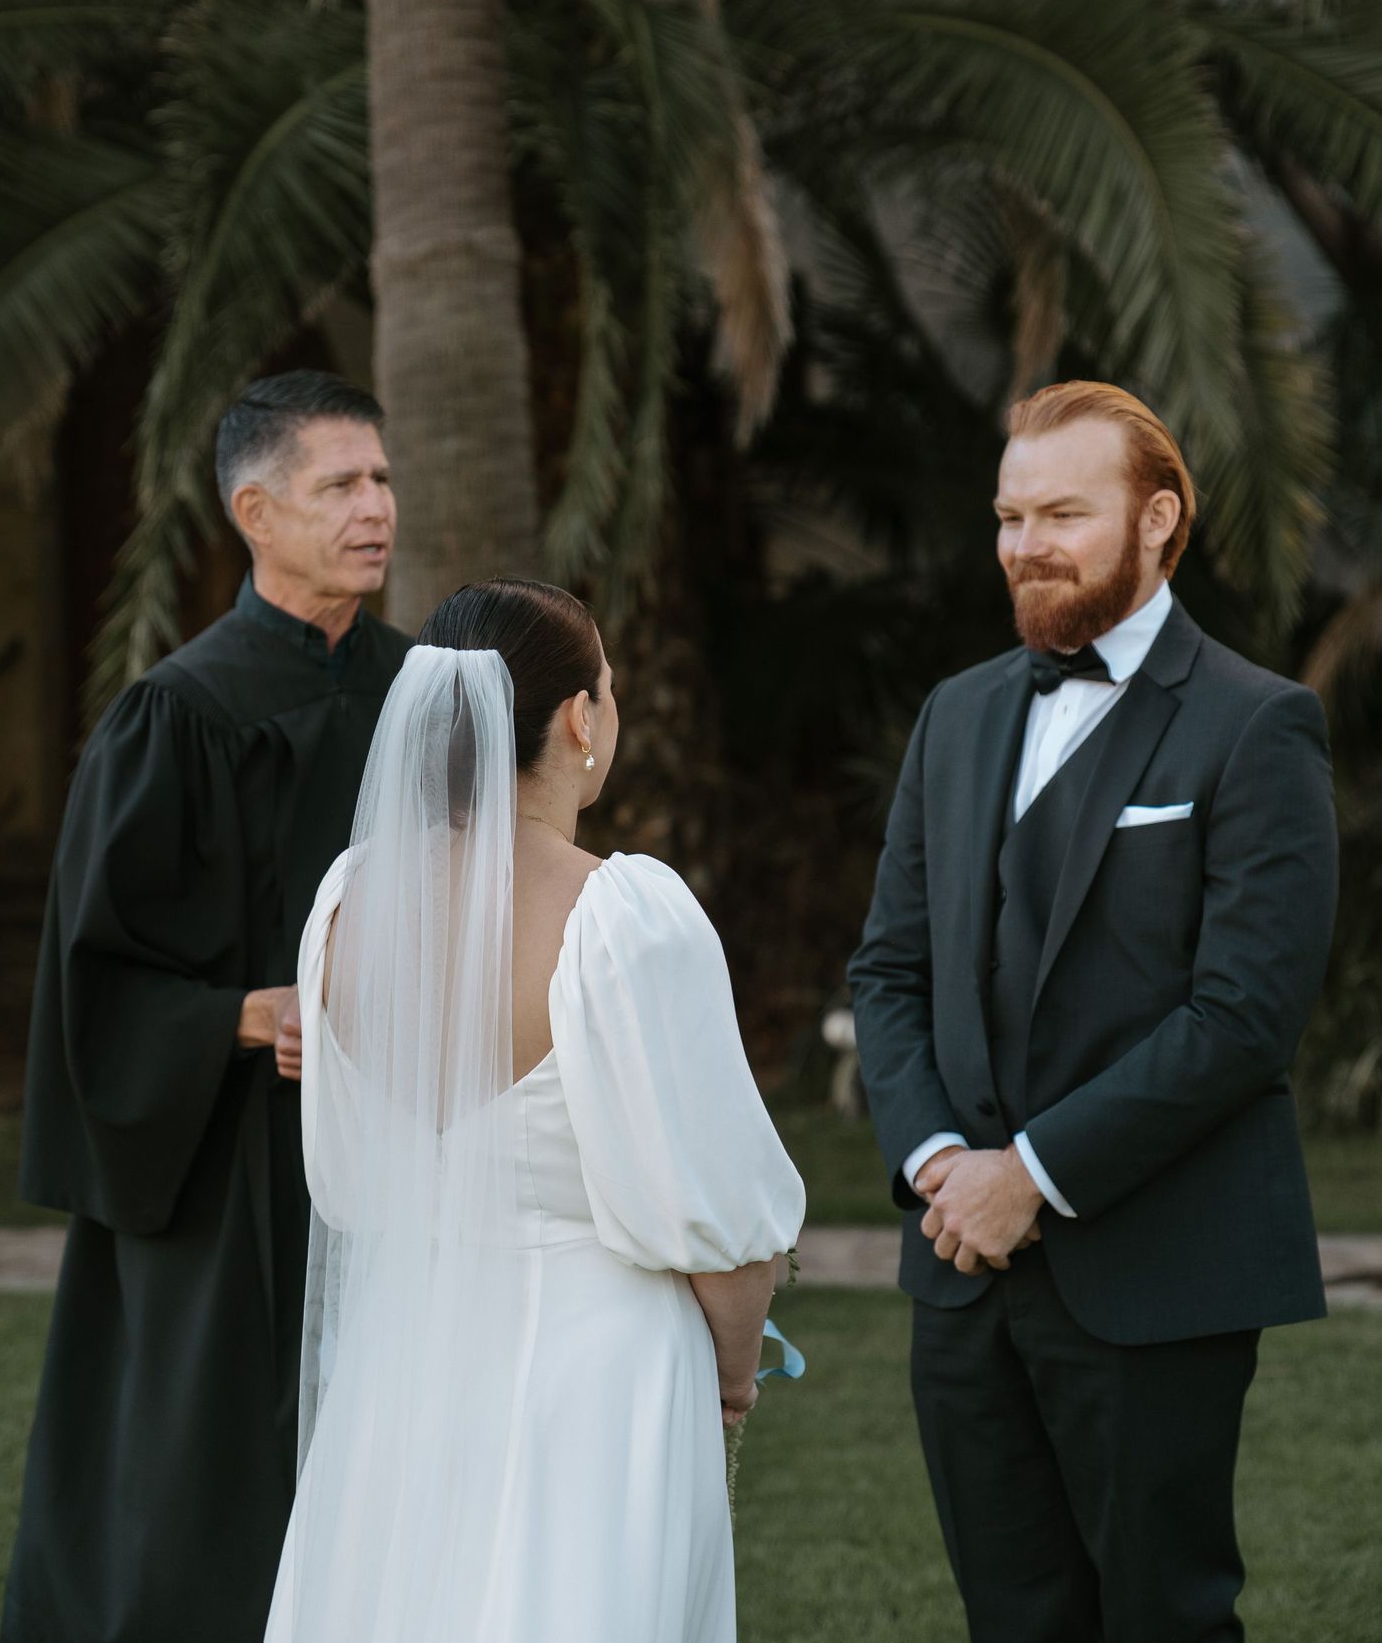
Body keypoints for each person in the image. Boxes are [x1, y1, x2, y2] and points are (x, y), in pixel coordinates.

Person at [848, 380, 1338, 1643]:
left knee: (1166, 1619)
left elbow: (1242, 1019)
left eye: (1063, 514)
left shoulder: (1258, 723)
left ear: (1157, 519)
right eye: (1009, 517)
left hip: (1157, 1269)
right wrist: (941, 1162)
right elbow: (890, 971)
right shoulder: (957, 715)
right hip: (962, 1273)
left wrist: (1034, 1174)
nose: (1026, 546)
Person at [264, 578, 805, 1643]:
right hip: (597, 1383)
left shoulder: (348, 903)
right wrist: (733, 1377)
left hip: (400, 1366)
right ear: (579, 720)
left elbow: (346, 1179)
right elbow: (725, 1223)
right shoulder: (626, 917)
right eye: (609, 686)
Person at [2, 371, 411, 1643]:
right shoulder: (178, 716)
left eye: (382, 479)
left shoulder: (428, 695)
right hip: (226, 1163)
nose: (376, 508)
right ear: (256, 513)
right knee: (207, 1493)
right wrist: (247, 1014)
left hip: (405, 1153)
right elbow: (97, 977)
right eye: (340, 485)